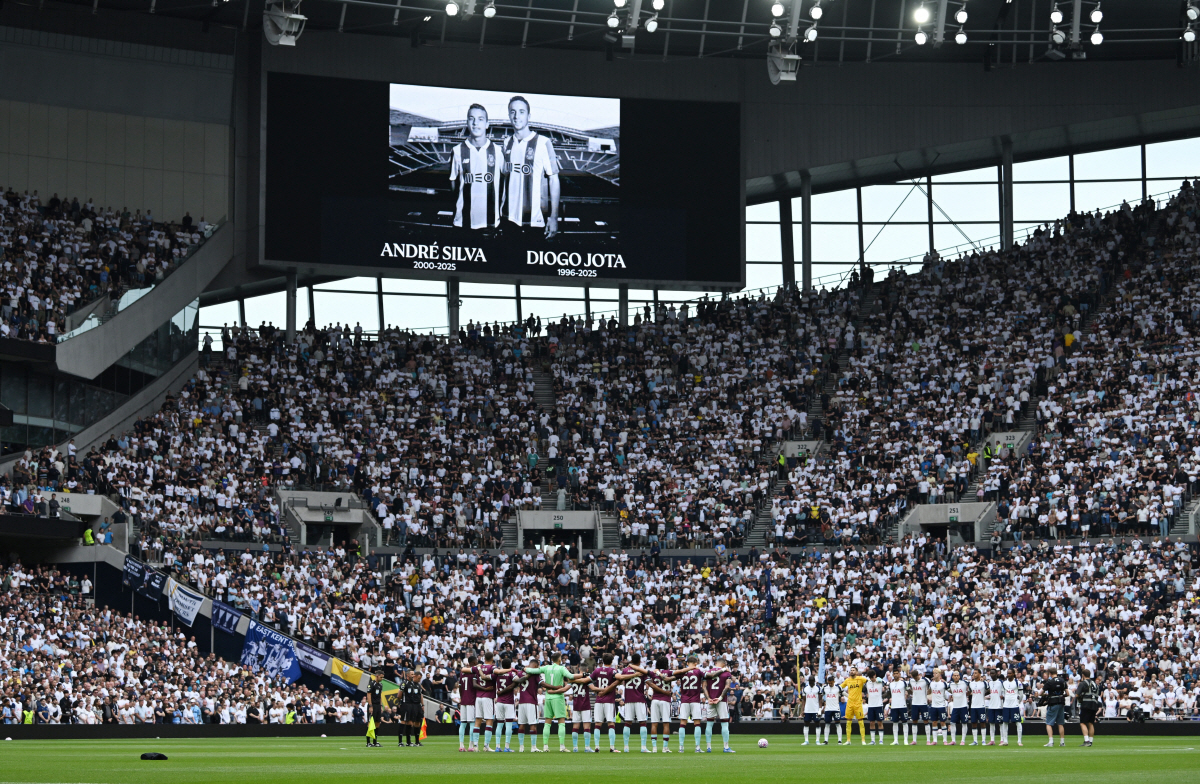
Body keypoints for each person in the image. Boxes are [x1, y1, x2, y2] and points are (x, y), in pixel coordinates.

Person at [500, 96, 560, 239]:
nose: (516, 116)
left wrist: (554, 217)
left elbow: (554, 180)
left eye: (521, 111)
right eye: (512, 112)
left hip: (535, 221)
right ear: (509, 115)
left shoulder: (543, 143)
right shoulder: (506, 143)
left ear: (529, 116)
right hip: (507, 218)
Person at [449, 104, 502, 232]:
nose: (475, 123)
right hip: (463, 222)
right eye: (471, 118)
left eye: (480, 119)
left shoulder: (498, 151)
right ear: (467, 123)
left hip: (490, 223)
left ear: (487, 124)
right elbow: (453, 185)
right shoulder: (457, 151)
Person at [524, 652, 573, 752]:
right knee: (561, 722)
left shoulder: (546, 667)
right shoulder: (562, 668)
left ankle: (545, 746)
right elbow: (570, 676)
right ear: (559, 659)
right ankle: (562, 746)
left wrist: (525, 669)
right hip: (558, 697)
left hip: (548, 697)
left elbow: (532, 670)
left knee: (547, 722)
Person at [702, 655, 735, 753]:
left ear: (716, 663)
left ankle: (708, 747)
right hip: (722, 701)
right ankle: (726, 747)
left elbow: (704, 687)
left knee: (709, 724)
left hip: (711, 700)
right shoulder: (727, 673)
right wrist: (720, 698)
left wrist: (708, 699)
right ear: (724, 664)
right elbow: (727, 686)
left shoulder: (707, 672)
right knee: (724, 724)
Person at [840, 667, 868, 745]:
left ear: (856, 672)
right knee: (848, 722)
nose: (851, 671)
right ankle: (848, 740)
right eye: (851, 670)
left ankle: (863, 740)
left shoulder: (860, 679)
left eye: (853, 670)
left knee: (861, 722)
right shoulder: (847, 680)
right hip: (849, 703)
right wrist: (845, 694)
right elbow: (839, 687)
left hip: (858, 703)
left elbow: (869, 682)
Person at [1041, 667, 1067, 747]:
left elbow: (1041, 692)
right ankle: (1062, 742)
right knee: (1060, 723)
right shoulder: (1062, 680)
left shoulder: (1049, 682)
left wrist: (1045, 695)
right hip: (1061, 703)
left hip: (1053, 703)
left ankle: (1051, 742)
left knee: (1049, 723)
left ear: (1050, 674)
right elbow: (1068, 693)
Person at [401, 668, 425, 747]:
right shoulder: (408, 683)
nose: (419, 680)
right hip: (410, 705)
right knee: (410, 722)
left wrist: (423, 704)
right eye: (419, 678)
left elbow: (420, 695)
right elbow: (400, 694)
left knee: (418, 722)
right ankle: (408, 741)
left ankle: (417, 741)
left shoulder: (418, 685)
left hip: (418, 705)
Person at [1077, 671, 1101, 747]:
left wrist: (1080, 700)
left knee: (1082, 723)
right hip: (1094, 705)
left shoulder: (1083, 683)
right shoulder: (1095, 684)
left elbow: (1077, 694)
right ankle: (1090, 741)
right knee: (1091, 723)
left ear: (1083, 675)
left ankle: (1086, 741)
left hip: (1086, 704)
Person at [864, 671, 885, 745]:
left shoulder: (880, 682)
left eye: (872, 677)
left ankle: (881, 740)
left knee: (880, 722)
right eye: (870, 677)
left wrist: (880, 679)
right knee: (871, 722)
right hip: (871, 705)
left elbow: (887, 683)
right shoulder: (867, 683)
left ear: (875, 675)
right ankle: (873, 740)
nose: (872, 679)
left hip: (878, 705)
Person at [822, 675, 843, 745]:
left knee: (838, 724)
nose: (830, 684)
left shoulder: (838, 687)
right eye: (829, 683)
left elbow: (843, 693)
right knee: (827, 724)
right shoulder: (825, 687)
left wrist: (850, 697)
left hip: (836, 708)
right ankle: (826, 740)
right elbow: (820, 695)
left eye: (831, 683)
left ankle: (840, 740)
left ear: (833, 681)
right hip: (828, 709)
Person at [801, 675, 822, 746]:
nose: (811, 683)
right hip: (807, 710)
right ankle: (806, 740)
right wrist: (802, 710)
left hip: (815, 709)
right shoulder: (805, 688)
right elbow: (803, 700)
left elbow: (820, 699)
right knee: (806, 724)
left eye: (812, 682)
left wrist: (820, 710)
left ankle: (817, 740)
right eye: (810, 682)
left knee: (817, 724)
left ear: (814, 681)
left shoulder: (818, 688)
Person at [366, 672, 383, 747]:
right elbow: (368, 694)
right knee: (370, 723)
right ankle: (368, 742)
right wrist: (370, 706)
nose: (382, 679)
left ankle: (375, 741)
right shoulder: (371, 684)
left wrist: (381, 705)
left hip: (378, 706)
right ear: (377, 676)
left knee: (377, 723)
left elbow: (380, 696)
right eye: (381, 677)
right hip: (372, 705)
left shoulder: (380, 685)